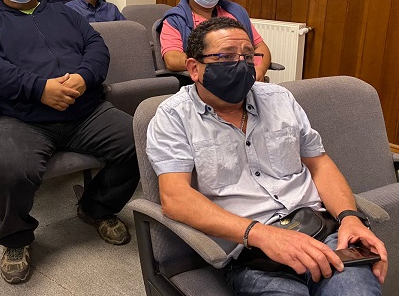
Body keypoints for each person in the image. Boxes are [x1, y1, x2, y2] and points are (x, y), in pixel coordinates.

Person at [146, 17, 388, 296]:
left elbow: (319, 163)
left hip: (321, 233)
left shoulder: (279, 99)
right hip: (250, 252)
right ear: (194, 68)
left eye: (248, 56)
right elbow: (175, 197)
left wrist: (350, 217)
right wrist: (263, 235)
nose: (241, 64)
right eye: (226, 56)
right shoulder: (173, 116)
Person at [0, 0, 140, 284]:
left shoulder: (65, 13)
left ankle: (96, 208)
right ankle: (16, 238)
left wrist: (84, 77)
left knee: (140, 142)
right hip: (19, 117)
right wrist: (39, 88)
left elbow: (96, 47)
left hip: (84, 111)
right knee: (6, 169)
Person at [157, 0, 271, 81]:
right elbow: (172, 59)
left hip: (244, 79)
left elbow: (260, 47)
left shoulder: (235, 12)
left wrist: (260, 69)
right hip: (204, 81)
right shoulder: (175, 19)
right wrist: (216, 62)